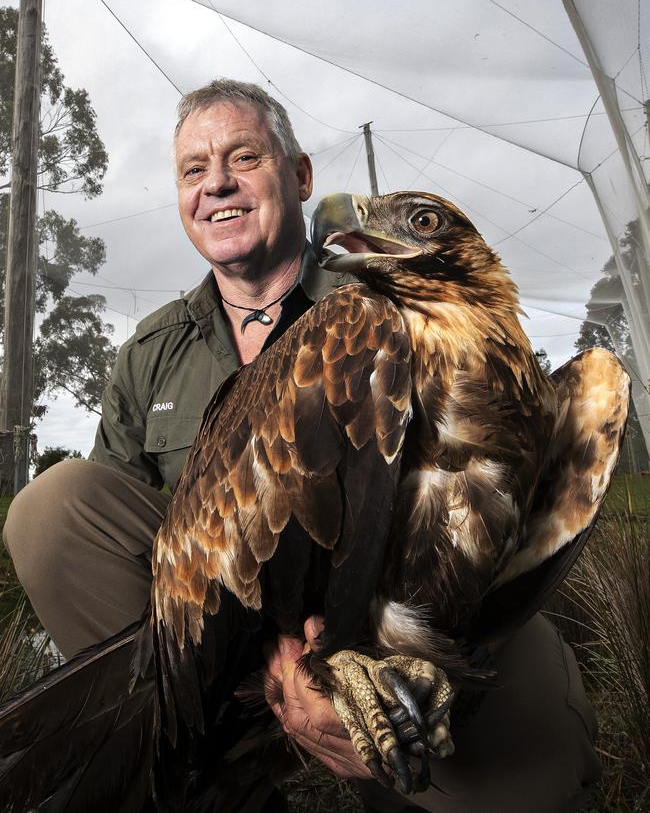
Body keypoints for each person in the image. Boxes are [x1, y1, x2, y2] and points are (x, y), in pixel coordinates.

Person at [3, 79, 601, 812]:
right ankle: (216, 772)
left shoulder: (393, 306)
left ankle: (395, 755)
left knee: (539, 757)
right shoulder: (150, 352)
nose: (215, 181)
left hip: (410, 605)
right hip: (230, 619)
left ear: (301, 176)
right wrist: (269, 660)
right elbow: (129, 551)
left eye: (243, 156)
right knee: (54, 507)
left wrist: (375, 671)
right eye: (194, 169)